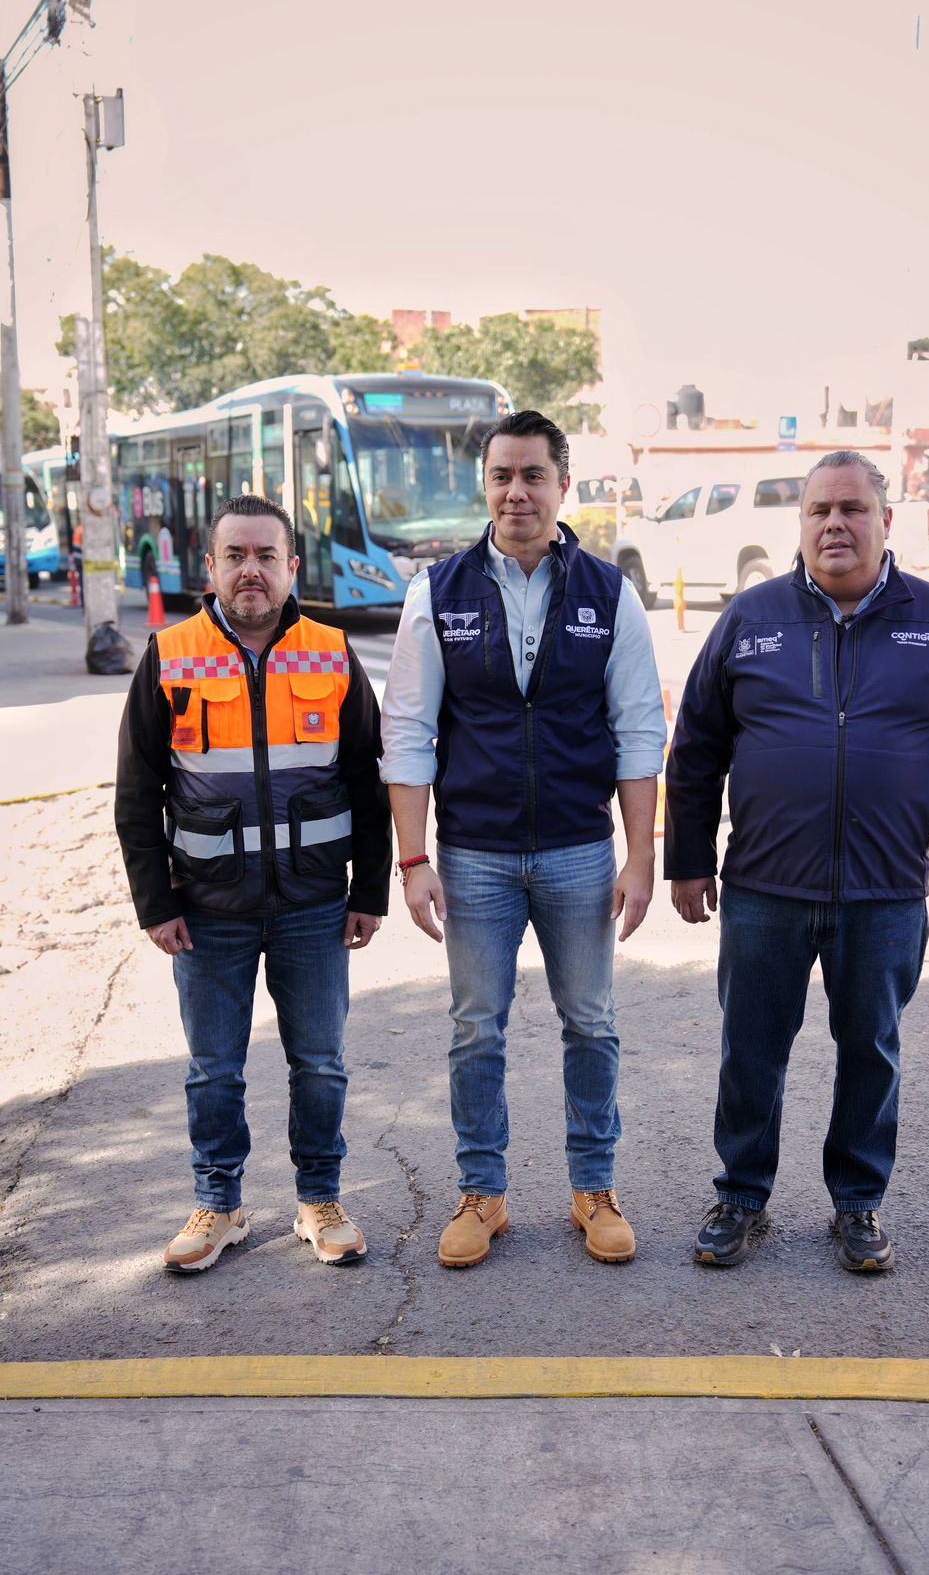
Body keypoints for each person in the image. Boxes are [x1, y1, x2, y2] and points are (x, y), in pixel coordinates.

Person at [665, 450, 929, 1273]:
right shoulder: (750, 618)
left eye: (852, 509)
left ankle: (858, 1204)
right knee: (751, 1050)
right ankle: (741, 1196)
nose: (834, 524)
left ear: (886, 521)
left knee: (872, 1052)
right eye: (819, 510)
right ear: (801, 523)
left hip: (885, 891)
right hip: (765, 887)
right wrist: (688, 859)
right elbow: (698, 748)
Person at [381, 410, 665, 1268]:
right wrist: (414, 859)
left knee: (592, 1024)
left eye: (533, 475)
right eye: (501, 475)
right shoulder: (438, 593)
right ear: (486, 485)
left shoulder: (610, 593)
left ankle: (593, 1189)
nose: (516, 492)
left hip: (580, 850)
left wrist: (641, 855)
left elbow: (639, 731)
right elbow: (408, 731)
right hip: (475, 854)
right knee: (477, 1029)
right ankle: (483, 1194)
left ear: (563, 485)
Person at [115, 494, 391, 1273]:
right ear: (209, 567)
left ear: (292, 567)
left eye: (266, 556)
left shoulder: (331, 653)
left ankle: (320, 1199)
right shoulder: (171, 654)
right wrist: (155, 904)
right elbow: (136, 793)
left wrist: (369, 892)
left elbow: (369, 783)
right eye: (235, 556)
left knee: (321, 1063)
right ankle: (219, 1205)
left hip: (314, 905)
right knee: (213, 1071)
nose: (251, 570)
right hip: (207, 911)